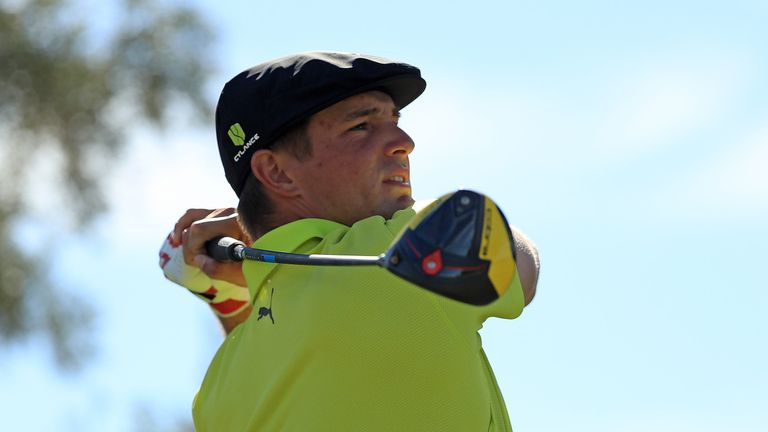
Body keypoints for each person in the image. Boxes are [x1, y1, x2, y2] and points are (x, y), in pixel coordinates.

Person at [159, 52, 540, 431]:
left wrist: (226, 293)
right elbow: (521, 267)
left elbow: (282, 350)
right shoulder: (398, 254)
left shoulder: (218, 392)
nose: (404, 142)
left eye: (395, 121)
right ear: (276, 172)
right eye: (361, 126)